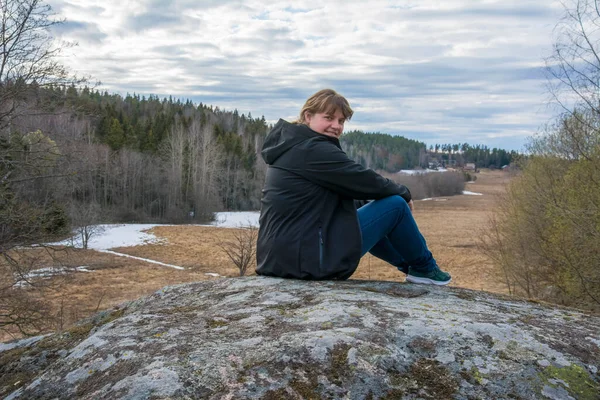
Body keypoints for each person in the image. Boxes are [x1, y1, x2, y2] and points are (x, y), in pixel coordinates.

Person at [256, 88, 451, 285]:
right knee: (396, 206)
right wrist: (404, 193)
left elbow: (345, 192)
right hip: (308, 263)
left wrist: (371, 204)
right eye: (329, 118)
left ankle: (411, 267)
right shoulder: (312, 149)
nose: (336, 126)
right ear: (308, 116)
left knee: (360, 210)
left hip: (281, 259)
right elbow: (363, 179)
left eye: (341, 121)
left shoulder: (294, 145)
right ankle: (425, 267)